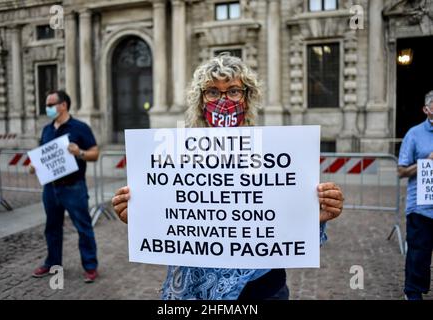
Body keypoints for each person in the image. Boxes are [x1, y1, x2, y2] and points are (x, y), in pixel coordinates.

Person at [111, 54, 344, 299]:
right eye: (212, 92)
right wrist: (140, 216)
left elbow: (288, 225)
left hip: (262, 288)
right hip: (194, 290)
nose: (223, 101)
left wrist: (315, 215)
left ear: (246, 98)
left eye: (233, 91)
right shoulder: (177, 155)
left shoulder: (273, 152)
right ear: (200, 101)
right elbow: (167, 217)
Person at [30, 90, 100, 283]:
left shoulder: (80, 128)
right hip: (51, 189)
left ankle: (90, 266)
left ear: (63, 105)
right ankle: (53, 263)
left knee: (83, 227)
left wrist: (80, 152)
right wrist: (34, 165)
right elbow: (42, 155)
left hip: (74, 187)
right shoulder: (46, 130)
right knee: (52, 228)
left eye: (51, 104)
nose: (48, 108)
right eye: (47, 105)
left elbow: (95, 153)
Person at [397, 90, 433, 300]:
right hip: (421, 207)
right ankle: (413, 292)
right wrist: (425, 163)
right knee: (419, 253)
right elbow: (401, 171)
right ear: (426, 109)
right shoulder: (414, 134)